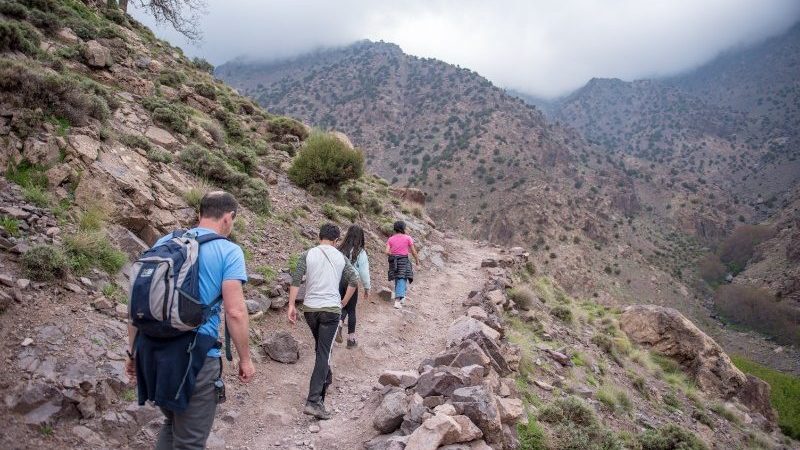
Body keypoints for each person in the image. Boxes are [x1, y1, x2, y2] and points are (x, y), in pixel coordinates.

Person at [125, 191, 256, 450]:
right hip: (193, 357)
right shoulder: (229, 251)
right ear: (229, 218)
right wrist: (246, 358)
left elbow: (137, 303)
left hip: (152, 354)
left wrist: (132, 353)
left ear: (199, 214)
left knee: (172, 424)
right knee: (190, 442)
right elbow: (235, 312)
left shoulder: (165, 241)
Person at [287, 223, 359, 420]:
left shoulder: (307, 254)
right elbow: (354, 278)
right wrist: (343, 302)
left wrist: (291, 305)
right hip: (330, 310)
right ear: (336, 241)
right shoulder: (340, 257)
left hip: (310, 310)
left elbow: (295, 279)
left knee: (321, 349)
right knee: (323, 353)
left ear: (319, 237)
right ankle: (313, 401)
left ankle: (325, 382)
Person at [336, 224, 371, 349]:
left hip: (339, 280)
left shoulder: (340, 248)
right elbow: (364, 272)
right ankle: (351, 339)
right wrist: (367, 287)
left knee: (341, 303)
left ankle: (339, 324)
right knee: (351, 309)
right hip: (352, 283)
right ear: (361, 237)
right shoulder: (360, 252)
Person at [385, 220, 419, 309]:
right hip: (403, 260)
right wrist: (417, 261)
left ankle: (401, 297)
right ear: (403, 228)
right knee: (402, 278)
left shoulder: (391, 238)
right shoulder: (408, 238)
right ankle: (397, 301)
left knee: (397, 278)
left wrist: (393, 255)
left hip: (393, 261)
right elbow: (413, 251)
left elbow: (386, 251)